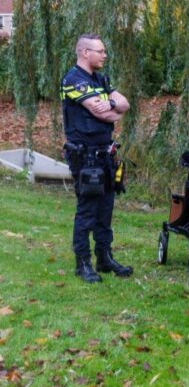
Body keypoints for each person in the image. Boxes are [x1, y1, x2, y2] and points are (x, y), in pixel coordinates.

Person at [60, 33, 133, 283]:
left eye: (104, 51)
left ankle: (105, 257)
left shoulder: (100, 79)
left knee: (105, 209)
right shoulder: (72, 80)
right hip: (85, 155)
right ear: (84, 53)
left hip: (106, 154)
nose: (104, 55)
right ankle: (83, 263)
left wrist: (111, 106)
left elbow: (123, 105)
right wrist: (112, 110)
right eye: (100, 51)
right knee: (88, 209)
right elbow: (104, 113)